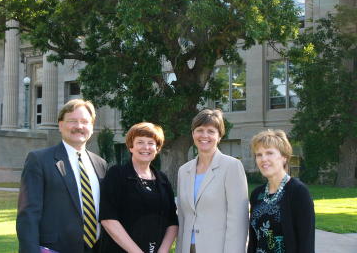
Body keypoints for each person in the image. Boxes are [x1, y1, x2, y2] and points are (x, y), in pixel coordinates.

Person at [16, 99, 107, 253]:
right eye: (72, 121)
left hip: (97, 248)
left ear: (91, 126)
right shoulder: (39, 160)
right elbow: (28, 214)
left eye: (85, 121)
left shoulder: (100, 164)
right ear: (60, 125)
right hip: (55, 248)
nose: (79, 126)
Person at [176, 109, 249, 253]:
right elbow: (183, 218)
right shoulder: (183, 171)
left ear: (219, 136)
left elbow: (239, 220)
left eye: (211, 131)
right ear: (193, 134)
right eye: (199, 130)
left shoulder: (232, 166)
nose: (204, 135)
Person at [99, 122, 178, 253]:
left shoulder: (163, 180)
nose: (145, 147)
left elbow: (172, 221)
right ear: (131, 147)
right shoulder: (117, 175)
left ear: (157, 148)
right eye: (140, 142)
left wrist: (163, 251)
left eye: (151, 143)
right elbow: (108, 219)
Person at [248, 129, 315, 253]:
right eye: (259, 154)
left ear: (284, 157)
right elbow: (253, 241)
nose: (263, 159)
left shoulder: (298, 192)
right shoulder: (257, 194)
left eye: (269, 153)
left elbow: (307, 243)